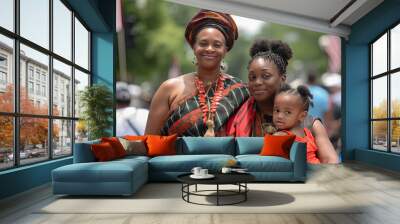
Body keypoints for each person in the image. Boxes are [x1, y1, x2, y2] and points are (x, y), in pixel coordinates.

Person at [226, 39, 338, 163]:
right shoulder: (236, 118)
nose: (257, 82)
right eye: (252, 77)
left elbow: (331, 162)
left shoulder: (310, 124)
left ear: (282, 78)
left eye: (266, 76)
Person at [145, 10, 249, 136]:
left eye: (217, 45)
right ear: (193, 47)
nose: (210, 49)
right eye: (203, 43)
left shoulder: (240, 90)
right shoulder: (169, 89)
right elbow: (149, 142)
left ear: (225, 50)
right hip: (177, 156)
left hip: (227, 156)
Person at [272, 85, 337, 164]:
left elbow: (330, 159)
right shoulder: (307, 134)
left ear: (302, 116)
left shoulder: (310, 128)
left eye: (287, 112)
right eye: (277, 110)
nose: (280, 116)